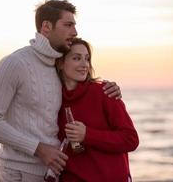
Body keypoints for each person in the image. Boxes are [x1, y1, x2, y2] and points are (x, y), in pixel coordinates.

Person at [0, 0, 122, 182]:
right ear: (46, 26)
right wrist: (39, 149)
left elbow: (81, 87)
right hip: (19, 173)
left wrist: (109, 88)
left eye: (75, 25)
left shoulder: (58, 65)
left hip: (53, 173)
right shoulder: (14, 63)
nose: (75, 32)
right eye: (68, 25)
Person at [56, 38, 139, 182]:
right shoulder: (52, 99)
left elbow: (130, 139)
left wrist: (87, 135)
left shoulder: (105, 92)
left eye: (87, 59)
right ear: (61, 63)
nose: (84, 65)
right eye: (77, 58)